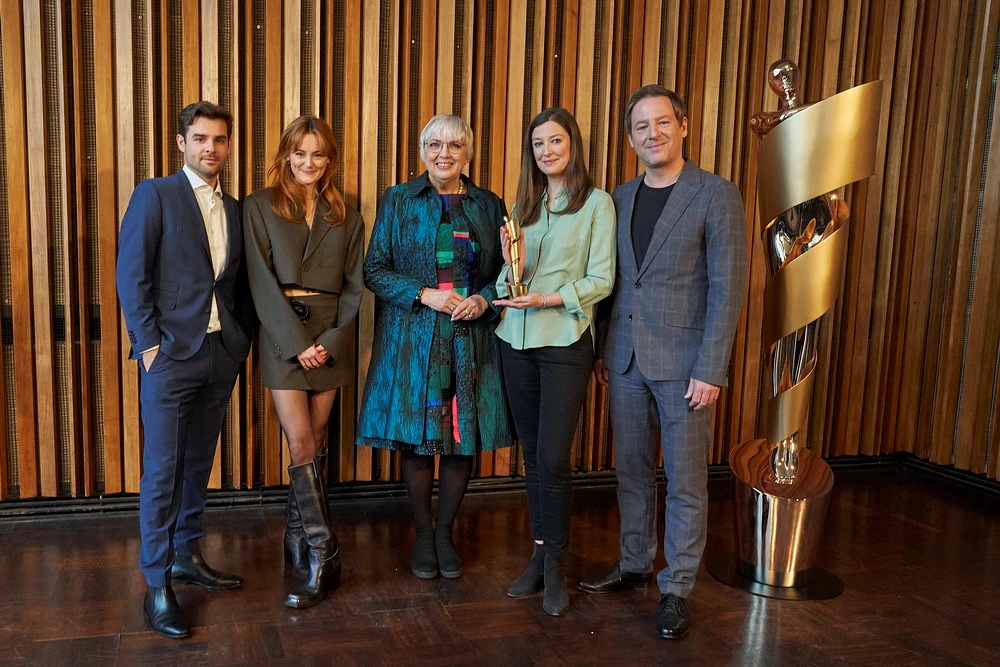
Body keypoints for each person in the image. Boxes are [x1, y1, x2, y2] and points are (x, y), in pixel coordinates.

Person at [578, 85, 748, 639]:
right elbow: (613, 284)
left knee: (685, 482)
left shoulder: (715, 194)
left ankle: (676, 588)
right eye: (641, 127)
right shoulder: (618, 198)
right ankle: (633, 566)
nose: (653, 134)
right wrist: (605, 350)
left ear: (683, 125)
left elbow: (727, 289)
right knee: (630, 472)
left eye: (662, 123)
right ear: (630, 139)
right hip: (625, 360)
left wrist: (712, 369)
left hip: (686, 367)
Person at [116, 101, 256, 639]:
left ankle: (186, 555)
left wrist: (239, 344)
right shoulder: (156, 195)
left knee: (198, 463)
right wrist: (148, 346)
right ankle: (156, 582)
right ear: (181, 143)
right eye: (200, 139)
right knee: (161, 470)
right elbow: (133, 275)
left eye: (219, 140)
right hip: (170, 356)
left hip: (221, 354)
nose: (210, 149)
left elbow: (236, 283)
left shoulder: (238, 209)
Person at [357, 114, 511, 581]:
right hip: (416, 336)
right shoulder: (399, 200)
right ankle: (423, 533)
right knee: (420, 439)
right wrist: (426, 294)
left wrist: (484, 298)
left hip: (471, 337)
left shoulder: (489, 204)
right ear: (421, 150)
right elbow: (374, 270)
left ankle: (446, 531)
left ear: (468, 151)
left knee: (461, 437)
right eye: (434, 144)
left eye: (455, 144)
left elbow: (507, 271)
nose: (444, 153)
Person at [494, 108, 616, 616]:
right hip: (513, 341)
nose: (547, 151)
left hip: (565, 339)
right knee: (531, 456)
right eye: (538, 144)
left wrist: (547, 300)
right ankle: (539, 557)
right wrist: (509, 276)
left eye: (556, 141)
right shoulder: (521, 205)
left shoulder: (597, 204)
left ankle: (558, 567)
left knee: (552, 457)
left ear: (573, 146)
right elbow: (509, 281)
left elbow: (602, 280)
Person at [243, 115, 364, 608]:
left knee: (314, 443)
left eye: (318, 154)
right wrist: (297, 343)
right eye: (299, 153)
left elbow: (356, 285)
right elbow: (259, 281)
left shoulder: (347, 212)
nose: (308, 162)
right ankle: (323, 551)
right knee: (300, 442)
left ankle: (297, 536)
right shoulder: (259, 206)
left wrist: (331, 341)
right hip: (282, 334)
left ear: (329, 159)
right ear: (286, 154)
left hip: (330, 335)